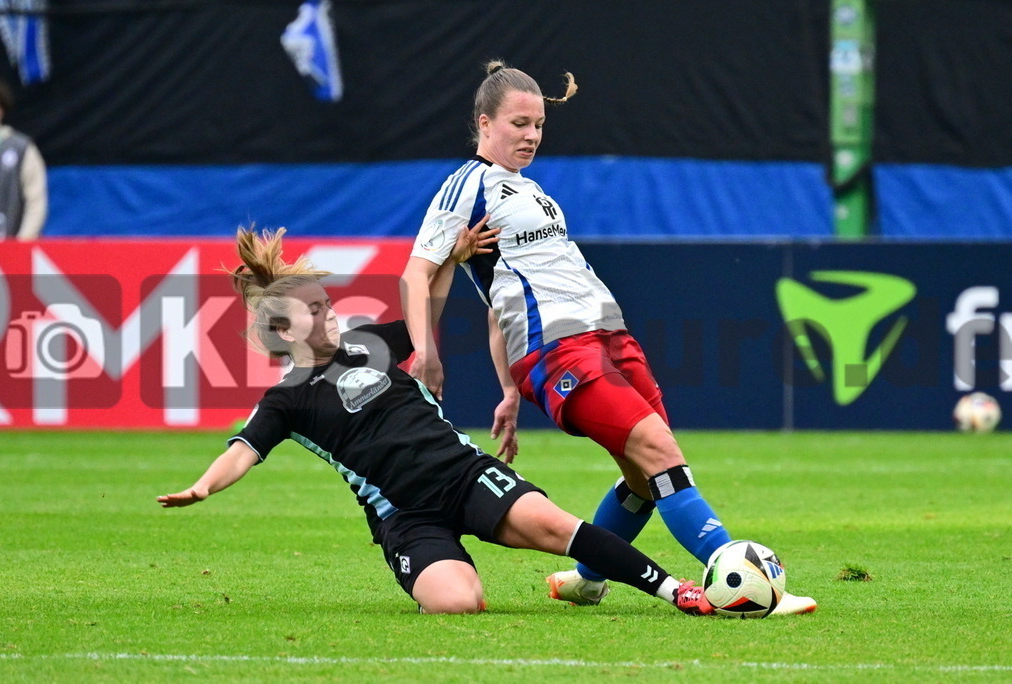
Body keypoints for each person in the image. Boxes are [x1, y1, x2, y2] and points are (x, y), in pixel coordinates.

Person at [400, 61, 816, 615]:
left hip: (609, 337)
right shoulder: (465, 187)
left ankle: (586, 579)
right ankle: (742, 581)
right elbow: (415, 273)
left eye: (539, 126)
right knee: (659, 450)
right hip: (559, 351)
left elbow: (498, 304)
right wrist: (424, 351)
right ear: (484, 123)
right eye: (519, 124)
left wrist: (505, 391)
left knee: (646, 477)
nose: (531, 136)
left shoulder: (529, 191)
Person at [157, 225, 718, 616]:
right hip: (405, 515)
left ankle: (675, 590)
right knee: (459, 603)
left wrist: (452, 256)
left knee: (559, 529)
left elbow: (428, 312)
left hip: (465, 475)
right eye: (315, 310)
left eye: (327, 305)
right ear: (284, 332)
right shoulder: (287, 399)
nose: (329, 314)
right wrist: (203, 486)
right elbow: (242, 450)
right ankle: (447, 566)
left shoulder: (369, 344)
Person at [0, 77, 47, 241]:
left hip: (8, 248)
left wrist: (21, 245)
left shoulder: (20, 148)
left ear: (0, 109)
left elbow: (36, 202)